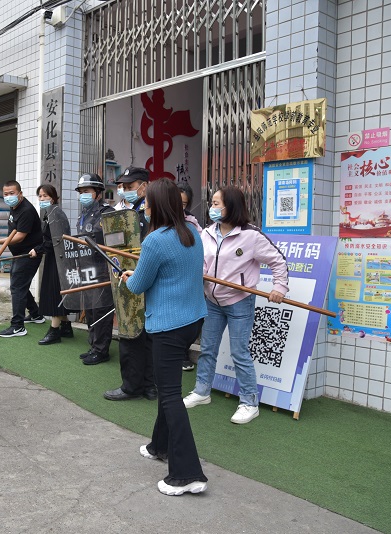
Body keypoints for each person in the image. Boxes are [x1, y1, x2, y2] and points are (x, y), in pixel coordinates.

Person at [121, 178, 209, 496]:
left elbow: (138, 285)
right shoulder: (193, 234)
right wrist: (139, 275)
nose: (143, 205)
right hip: (192, 322)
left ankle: (188, 474)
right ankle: (160, 446)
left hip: (169, 327)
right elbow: (167, 275)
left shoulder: (155, 240)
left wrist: (129, 277)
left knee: (170, 395)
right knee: (166, 385)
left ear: (157, 205)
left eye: (147, 201)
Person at [184, 185, 289, 424]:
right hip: (212, 301)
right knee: (208, 349)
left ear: (231, 206)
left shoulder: (250, 236)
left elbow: (278, 261)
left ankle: (249, 402)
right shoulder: (207, 233)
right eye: (212, 203)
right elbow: (201, 263)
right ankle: (202, 392)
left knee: (239, 353)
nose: (212, 208)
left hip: (240, 302)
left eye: (216, 203)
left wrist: (279, 288)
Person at [104, 167, 155, 399]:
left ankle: (150, 384)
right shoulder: (123, 211)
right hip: (127, 279)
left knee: (150, 335)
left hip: (150, 280)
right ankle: (131, 385)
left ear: (144, 185)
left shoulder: (153, 210)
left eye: (130, 186)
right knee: (130, 332)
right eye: (123, 186)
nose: (125, 190)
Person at [0, 180, 44, 338]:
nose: (8, 196)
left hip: (29, 253)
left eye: (12, 193)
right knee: (20, 284)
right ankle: (36, 314)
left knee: (17, 286)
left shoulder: (25, 210)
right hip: (19, 253)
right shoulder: (14, 207)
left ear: (20, 194)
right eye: (6, 194)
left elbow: (19, 236)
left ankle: (18, 326)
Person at [74, 173, 115, 365]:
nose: (83, 195)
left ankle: (101, 350)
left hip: (102, 269)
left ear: (98, 193)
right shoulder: (83, 213)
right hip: (85, 268)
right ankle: (93, 345)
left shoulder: (107, 213)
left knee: (101, 310)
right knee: (90, 310)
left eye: (87, 191)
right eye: (81, 192)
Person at [31, 184, 74, 345]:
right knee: (57, 291)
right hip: (55, 258)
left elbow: (55, 241)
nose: (42, 199)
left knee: (55, 292)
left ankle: (54, 331)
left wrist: (38, 250)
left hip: (59, 259)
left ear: (54, 197)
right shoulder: (51, 213)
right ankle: (66, 326)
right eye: (40, 196)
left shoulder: (55, 214)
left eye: (45, 196)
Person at [177, 181, 202, 372]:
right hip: (166, 280)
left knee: (190, 320)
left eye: (184, 204)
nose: (179, 207)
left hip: (187, 279)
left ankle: (183, 352)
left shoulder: (193, 225)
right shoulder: (157, 220)